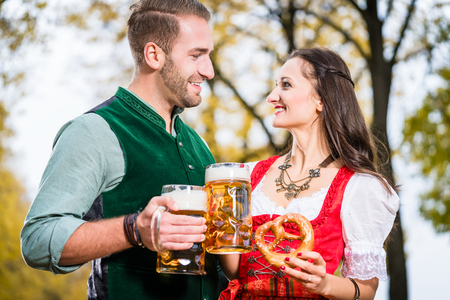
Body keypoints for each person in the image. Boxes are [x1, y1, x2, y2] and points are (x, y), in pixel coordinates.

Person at [20, 1, 220, 299]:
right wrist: (134, 229)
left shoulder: (198, 144)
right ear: (154, 55)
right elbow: (38, 240)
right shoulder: (95, 131)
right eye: (196, 55)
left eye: (209, 55)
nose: (209, 71)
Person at [218, 48, 400, 300]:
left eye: (286, 85)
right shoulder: (247, 175)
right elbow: (235, 271)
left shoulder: (360, 186)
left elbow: (366, 291)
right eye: (275, 86)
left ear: (321, 100)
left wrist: (325, 284)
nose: (272, 96)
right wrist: (221, 229)